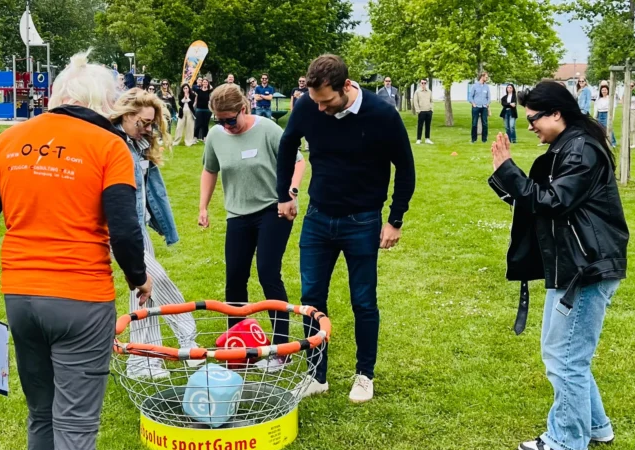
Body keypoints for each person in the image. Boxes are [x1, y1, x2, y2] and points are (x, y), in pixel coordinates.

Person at [0, 50, 153, 450]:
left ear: (56, 95)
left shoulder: (10, 140)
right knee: (77, 426)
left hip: (22, 297)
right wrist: (138, 279)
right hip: (81, 299)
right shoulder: (108, 147)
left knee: (43, 412)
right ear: (104, 103)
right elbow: (125, 228)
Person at [488, 80, 629, 450]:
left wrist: (509, 170)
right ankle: (596, 426)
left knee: (565, 357)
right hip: (572, 265)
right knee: (567, 353)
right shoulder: (567, 146)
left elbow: (552, 202)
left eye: (533, 118)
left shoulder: (581, 150)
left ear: (556, 114)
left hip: (585, 268)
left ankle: (567, 440)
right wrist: (505, 177)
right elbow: (537, 204)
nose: (529, 125)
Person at [276, 54, 415, 403]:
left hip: (363, 220)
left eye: (326, 102)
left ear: (346, 87)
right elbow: (287, 145)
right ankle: (316, 375)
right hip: (319, 217)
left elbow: (406, 168)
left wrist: (395, 219)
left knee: (364, 301)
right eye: (315, 101)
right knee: (311, 300)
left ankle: (364, 375)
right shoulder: (309, 105)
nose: (319, 109)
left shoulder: (381, 114)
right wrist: (284, 194)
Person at [198, 84, 306, 369]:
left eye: (230, 119)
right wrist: (203, 207)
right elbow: (210, 170)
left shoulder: (268, 129)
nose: (226, 126)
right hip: (238, 214)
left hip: (273, 209)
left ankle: (280, 348)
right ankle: (239, 345)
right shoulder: (216, 136)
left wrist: (291, 193)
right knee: (234, 278)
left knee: (268, 272)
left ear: (243, 108)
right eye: (219, 121)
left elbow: (298, 161)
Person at [110, 88, 199, 378]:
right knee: (154, 279)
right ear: (125, 114)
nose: (148, 129)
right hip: (116, 227)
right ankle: (188, 338)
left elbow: (150, 192)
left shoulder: (138, 144)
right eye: (143, 123)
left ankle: (144, 359)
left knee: (141, 290)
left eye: (151, 124)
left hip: (136, 226)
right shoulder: (110, 143)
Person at [469, 71, 491, 143]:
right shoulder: (474, 86)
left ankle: (484, 139)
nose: (487, 78)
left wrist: (487, 104)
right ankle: (473, 139)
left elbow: (489, 97)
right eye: (486, 77)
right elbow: (470, 96)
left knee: (485, 123)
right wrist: (473, 104)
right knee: (474, 123)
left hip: (484, 107)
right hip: (476, 107)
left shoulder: (486, 87)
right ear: (482, 77)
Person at [290, 76, 310, 151]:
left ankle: (307, 147)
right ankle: (298, 146)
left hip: (305, 112)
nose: (301, 82)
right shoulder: (294, 89)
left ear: (305, 82)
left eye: (303, 81)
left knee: (307, 129)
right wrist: (292, 110)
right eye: (300, 81)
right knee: (297, 129)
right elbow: (292, 101)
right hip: (296, 112)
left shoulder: (308, 90)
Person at [413, 79, 434, 144]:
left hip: (428, 111)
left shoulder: (429, 91)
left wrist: (431, 109)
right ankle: (419, 139)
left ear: (426, 83)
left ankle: (427, 138)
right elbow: (415, 101)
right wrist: (418, 110)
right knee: (420, 125)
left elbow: (432, 101)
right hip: (421, 111)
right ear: (420, 83)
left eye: (425, 83)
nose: (423, 84)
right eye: (422, 83)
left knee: (428, 125)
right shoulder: (417, 92)